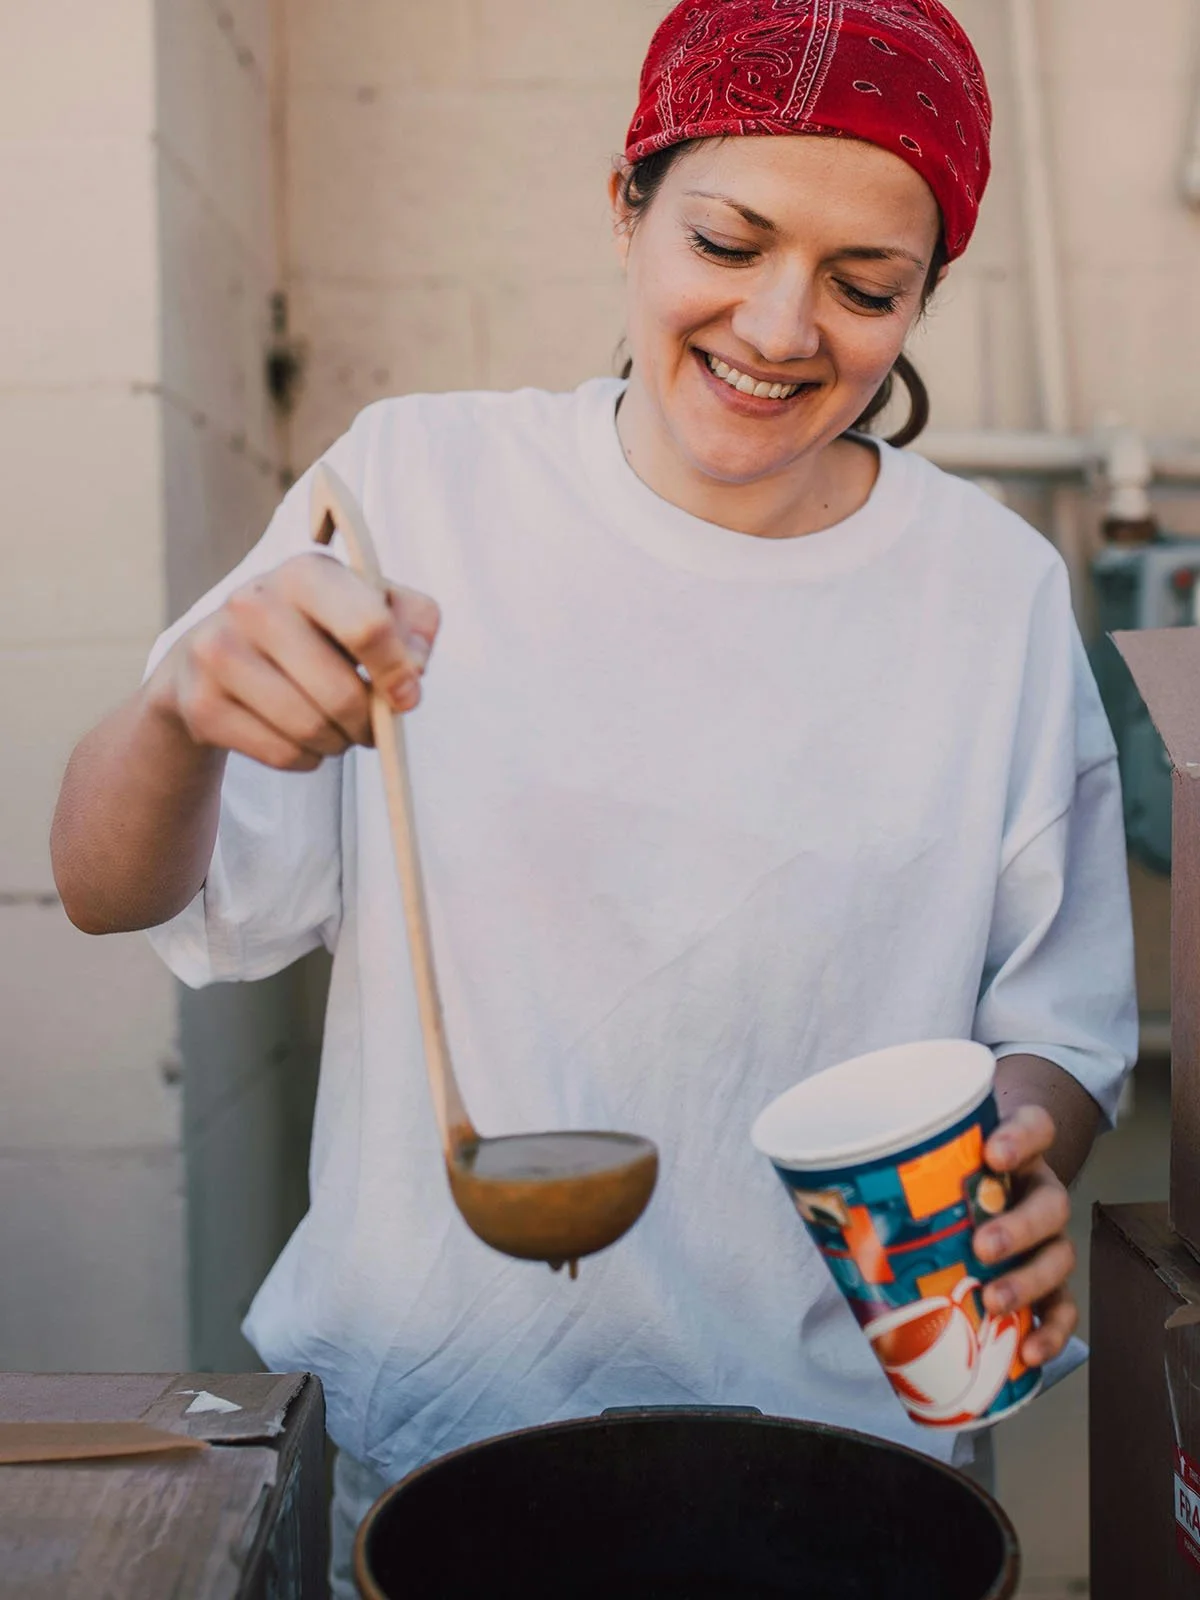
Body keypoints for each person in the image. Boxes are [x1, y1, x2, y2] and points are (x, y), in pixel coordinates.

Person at [51, 0, 1136, 1589]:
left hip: (848, 1469)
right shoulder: (416, 487)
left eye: (863, 286)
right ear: (626, 202)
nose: (779, 327)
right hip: (444, 1448)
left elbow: (1064, 1020)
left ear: (924, 298)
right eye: (728, 238)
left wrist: (1025, 1152)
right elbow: (105, 886)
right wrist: (180, 710)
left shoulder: (993, 592)